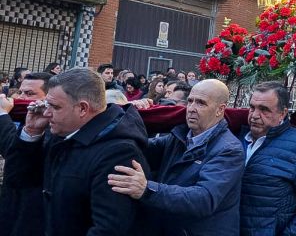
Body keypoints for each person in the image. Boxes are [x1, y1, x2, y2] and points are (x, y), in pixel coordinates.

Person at [2, 68, 149, 236]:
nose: (47, 113)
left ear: (82, 109)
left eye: (55, 107)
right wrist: (31, 133)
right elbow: (18, 180)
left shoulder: (118, 153)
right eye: (47, 105)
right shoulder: (62, 133)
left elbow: (109, 228)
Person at [108, 79, 245, 235]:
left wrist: (147, 189)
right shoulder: (179, 136)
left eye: (201, 103)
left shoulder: (229, 150)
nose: (191, 109)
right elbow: (142, 147)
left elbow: (203, 199)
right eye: (190, 101)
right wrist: (131, 113)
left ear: (220, 110)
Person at [240, 82, 296, 235]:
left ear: (282, 113)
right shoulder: (237, 138)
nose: (255, 115)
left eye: (264, 110)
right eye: (252, 107)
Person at [0, 72, 51, 236]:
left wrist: (2, 115)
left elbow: (12, 150)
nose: (21, 97)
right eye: (20, 92)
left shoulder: (51, 123)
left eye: (30, 94)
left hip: (31, 213)